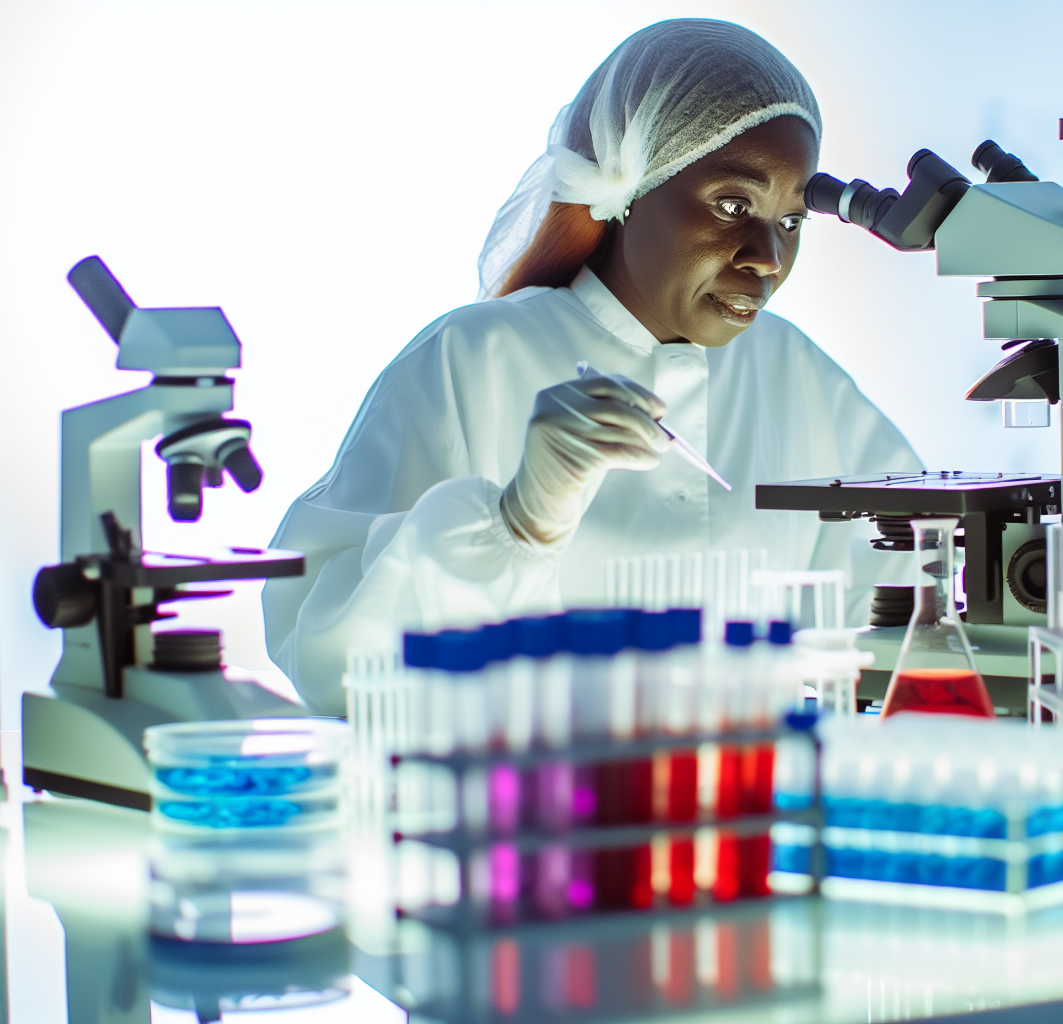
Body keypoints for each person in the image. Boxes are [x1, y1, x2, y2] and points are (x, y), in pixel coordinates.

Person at [264, 18, 921, 714]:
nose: (767, 257)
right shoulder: (472, 358)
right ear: (626, 185)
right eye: (734, 204)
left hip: (753, 805)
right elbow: (330, 664)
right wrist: (517, 523)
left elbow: (902, 615)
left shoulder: (797, 375)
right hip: (533, 809)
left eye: (791, 221)